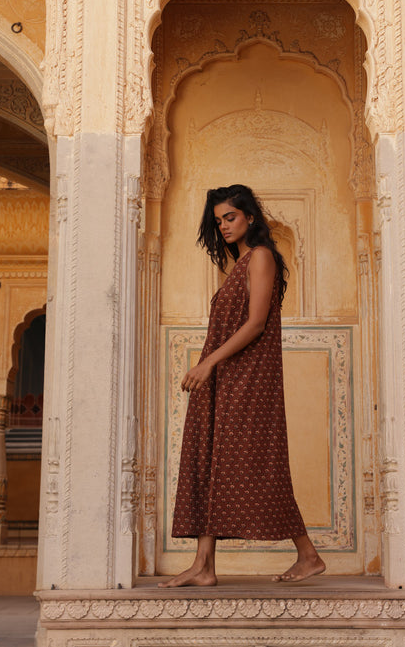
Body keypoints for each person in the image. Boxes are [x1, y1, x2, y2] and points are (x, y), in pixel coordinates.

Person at [159, 184, 325, 587]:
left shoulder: (262, 257)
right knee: (209, 459)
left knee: (255, 465)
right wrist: (212, 369)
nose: (224, 226)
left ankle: (308, 555)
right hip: (226, 377)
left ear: (250, 216)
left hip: (249, 378)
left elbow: (255, 324)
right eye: (218, 221)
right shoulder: (241, 263)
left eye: (230, 217)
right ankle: (203, 566)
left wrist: (207, 363)